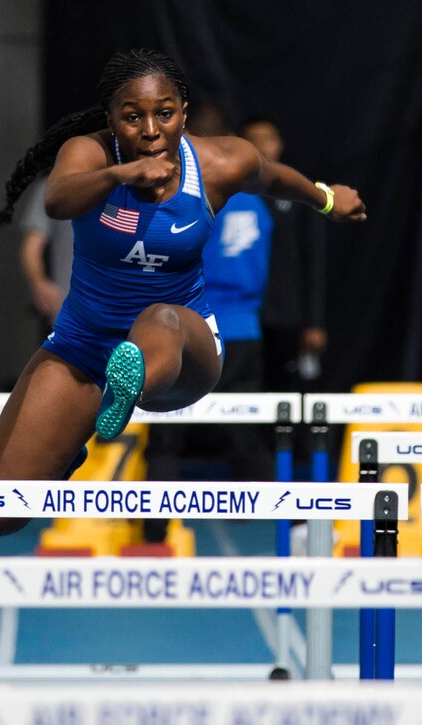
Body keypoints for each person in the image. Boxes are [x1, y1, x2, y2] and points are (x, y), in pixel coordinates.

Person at [0, 49, 365, 538]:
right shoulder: (88, 153)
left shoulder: (219, 162)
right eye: (132, 117)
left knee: (158, 317)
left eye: (164, 113)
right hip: (83, 346)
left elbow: (273, 176)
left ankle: (124, 386)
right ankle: (84, 426)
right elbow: (57, 200)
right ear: (111, 119)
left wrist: (328, 199)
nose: (151, 130)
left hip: (183, 347)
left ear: (184, 112)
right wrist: (123, 175)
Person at [142, 105, 275, 541]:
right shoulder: (257, 200)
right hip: (246, 330)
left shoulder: (196, 195)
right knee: (245, 426)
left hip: (197, 328)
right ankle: (257, 519)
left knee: (166, 429)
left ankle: (155, 528)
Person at [242, 117, 328, 391]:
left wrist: (313, 322)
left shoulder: (298, 190)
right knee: (243, 389)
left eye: (267, 138)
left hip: (285, 313)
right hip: (240, 314)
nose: (261, 146)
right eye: (252, 140)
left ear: (279, 144)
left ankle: (288, 437)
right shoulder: (231, 191)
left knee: (286, 389)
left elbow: (312, 259)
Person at [20, 178, 74, 332]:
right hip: (69, 315)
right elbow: (32, 245)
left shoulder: (124, 189)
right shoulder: (55, 187)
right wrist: (39, 283)